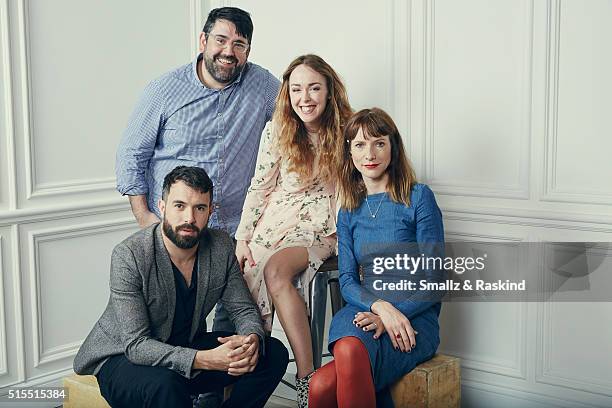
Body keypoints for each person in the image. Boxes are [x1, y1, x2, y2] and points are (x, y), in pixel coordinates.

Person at [73, 166, 289, 408]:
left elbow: (243, 310)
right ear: (162, 207)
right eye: (179, 206)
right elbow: (136, 345)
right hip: (123, 358)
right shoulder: (130, 255)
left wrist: (251, 340)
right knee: (164, 384)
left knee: (273, 353)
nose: (189, 218)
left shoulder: (221, 247)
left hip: (183, 347)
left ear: (210, 211)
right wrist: (204, 360)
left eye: (199, 208)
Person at [229, 54, 352, 407]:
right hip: (273, 222)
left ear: (329, 91)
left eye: (314, 88)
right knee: (246, 273)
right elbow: (260, 186)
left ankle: (306, 378)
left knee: (276, 271)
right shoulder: (278, 130)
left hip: (321, 226)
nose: (305, 97)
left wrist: (352, 237)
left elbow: (355, 187)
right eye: (296, 89)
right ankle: (247, 378)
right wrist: (242, 238)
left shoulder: (348, 129)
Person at [308, 108, 445, 407]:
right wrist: (380, 308)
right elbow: (346, 279)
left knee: (326, 380)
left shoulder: (418, 197)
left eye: (379, 143)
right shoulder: (348, 210)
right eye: (359, 144)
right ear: (350, 151)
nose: (369, 153)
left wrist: (396, 314)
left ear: (392, 147)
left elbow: (435, 281)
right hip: (364, 308)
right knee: (319, 386)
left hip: (414, 318)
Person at [115, 7, 280, 235]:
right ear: (204, 40)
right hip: (174, 230)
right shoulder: (164, 90)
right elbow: (131, 154)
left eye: (239, 44)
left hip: (235, 231)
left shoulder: (263, 85)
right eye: (220, 40)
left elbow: (301, 114)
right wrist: (144, 217)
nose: (228, 51)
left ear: (248, 51)